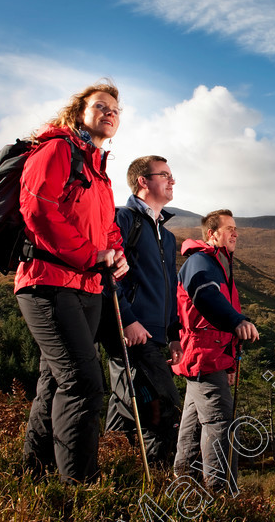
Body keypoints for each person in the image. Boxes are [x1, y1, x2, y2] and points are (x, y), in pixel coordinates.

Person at [15, 80, 129, 484]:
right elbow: (39, 211)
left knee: (55, 380)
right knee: (84, 383)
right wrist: (89, 255)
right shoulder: (57, 149)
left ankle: (35, 475)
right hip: (48, 282)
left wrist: (116, 254)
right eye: (101, 106)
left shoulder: (98, 167)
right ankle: (79, 487)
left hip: (87, 288)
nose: (109, 113)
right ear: (80, 111)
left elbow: (107, 227)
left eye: (115, 110)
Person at [101, 155, 183, 468]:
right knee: (161, 413)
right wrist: (128, 319)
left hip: (155, 336)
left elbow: (170, 287)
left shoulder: (167, 235)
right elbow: (108, 275)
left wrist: (174, 334)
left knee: (125, 412)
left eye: (172, 176)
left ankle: (113, 480)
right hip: (133, 334)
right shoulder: (123, 219)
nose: (172, 181)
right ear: (143, 181)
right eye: (164, 175)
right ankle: (157, 490)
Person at [172, 209, 259, 493]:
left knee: (194, 424)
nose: (235, 233)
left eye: (236, 229)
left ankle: (183, 486)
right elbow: (205, 296)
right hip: (203, 358)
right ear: (212, 234)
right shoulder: (201, 262)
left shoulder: (217, 264)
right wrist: (237, 321)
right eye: (229, 228)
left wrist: (230, 366)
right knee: (221, 424)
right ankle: (222, 497)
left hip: (209, 357)